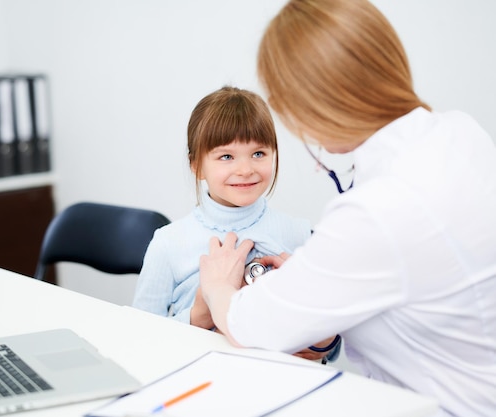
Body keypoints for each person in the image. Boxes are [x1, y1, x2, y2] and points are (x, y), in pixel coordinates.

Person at [197, 1, 496, 416]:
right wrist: (314, 281)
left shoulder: (380, 208)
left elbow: (251, 326)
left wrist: (216, 288)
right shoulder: (459, 131)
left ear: (306, 104)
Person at [132, 86, 340, 361]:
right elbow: (140, 337)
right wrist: (198, 317)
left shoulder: (299, 234)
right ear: (196, 164)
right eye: (226, 156)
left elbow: (332, 347)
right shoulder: (168, 243)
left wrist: (320, 345)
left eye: (258, 154)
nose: (245, 169)